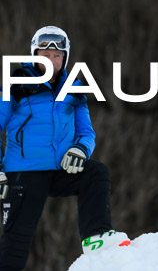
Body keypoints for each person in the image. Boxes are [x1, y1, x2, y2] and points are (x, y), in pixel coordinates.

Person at [0, 26, 128, 270]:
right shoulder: (17, 84)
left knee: (95, 172)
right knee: (17, 243)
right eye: (45, 55)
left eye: (57, 56)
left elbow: (87, 132)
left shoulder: (74, 88)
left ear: (65, 58)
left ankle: (96, 237)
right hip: (24, 174)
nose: (51, 61)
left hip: (60, 169)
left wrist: (80, 149)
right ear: (34, 55)